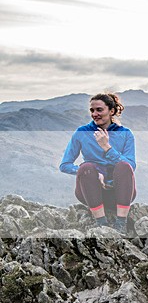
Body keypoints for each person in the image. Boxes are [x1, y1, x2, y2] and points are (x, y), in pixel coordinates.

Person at [59, 93, 136, 232]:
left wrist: (107, 148)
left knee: (124, 166)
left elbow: (131, 166)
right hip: (90, 192)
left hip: (120, 193)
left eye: (99, 110)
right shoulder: (82, 132)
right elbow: (65, 165)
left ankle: (121, 223)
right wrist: (95, 174)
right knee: (86, 167)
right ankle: (101, 222)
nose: (95, 114)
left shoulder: (125, 133)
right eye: (92, 110)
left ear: (111, 111)